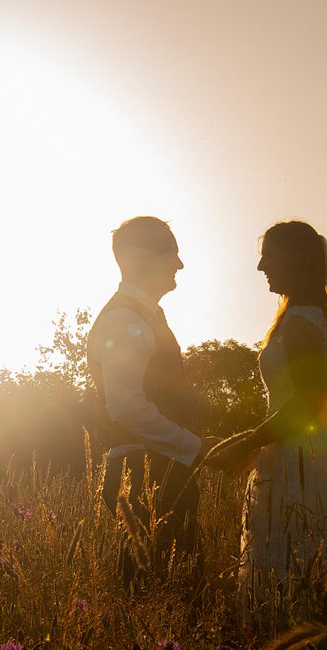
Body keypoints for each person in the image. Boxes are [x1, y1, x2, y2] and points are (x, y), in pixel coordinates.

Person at [203, 220, 327, 622]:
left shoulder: (302, 324)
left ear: (295, 258)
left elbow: (312, 405)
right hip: (320, 455)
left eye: (269, 255)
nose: (261, 267)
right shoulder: (314, 319)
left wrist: (248, 441)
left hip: (302, 462)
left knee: (299, 566)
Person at [86, 216, 215, 590]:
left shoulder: (144, 314)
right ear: (143, 258)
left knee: (176, 593)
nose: (180, 264)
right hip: (143, 476)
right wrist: (196, 447)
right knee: (159, 601)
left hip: (161, 472)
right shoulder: (124, 318)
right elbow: (126, 406)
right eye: (172, 253)